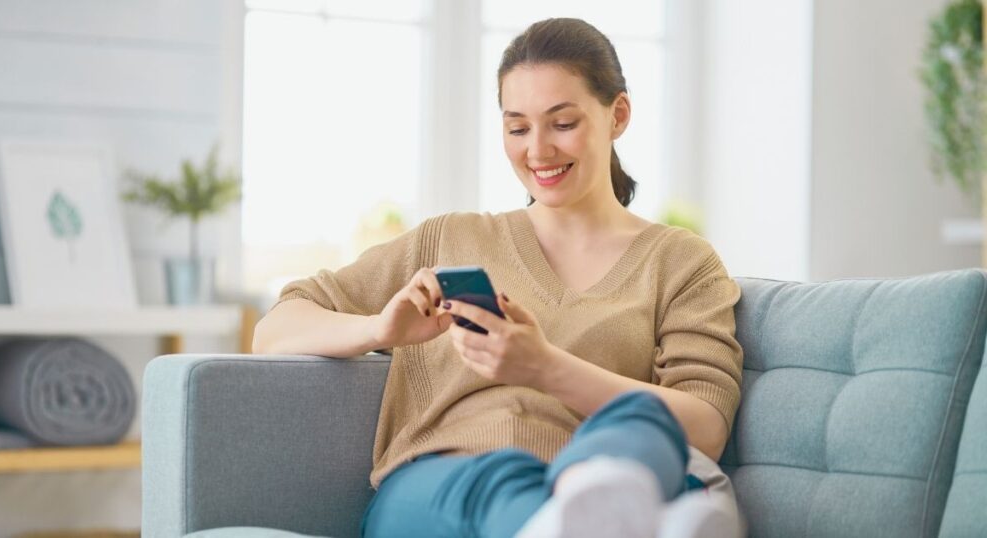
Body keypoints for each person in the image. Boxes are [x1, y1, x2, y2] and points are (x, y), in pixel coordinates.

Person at [253, 17, 744, 538]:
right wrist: (379, 328)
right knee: (502, 481)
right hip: (441, 485)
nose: (538, 151)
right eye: (518, 128)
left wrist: (545, 367)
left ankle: (586, 513)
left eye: (562, 123)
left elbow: (707, 426)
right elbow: (274, 329)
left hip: (580, 474)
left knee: (641, 423)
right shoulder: (449, 239)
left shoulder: (681, 262)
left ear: (617, 115)